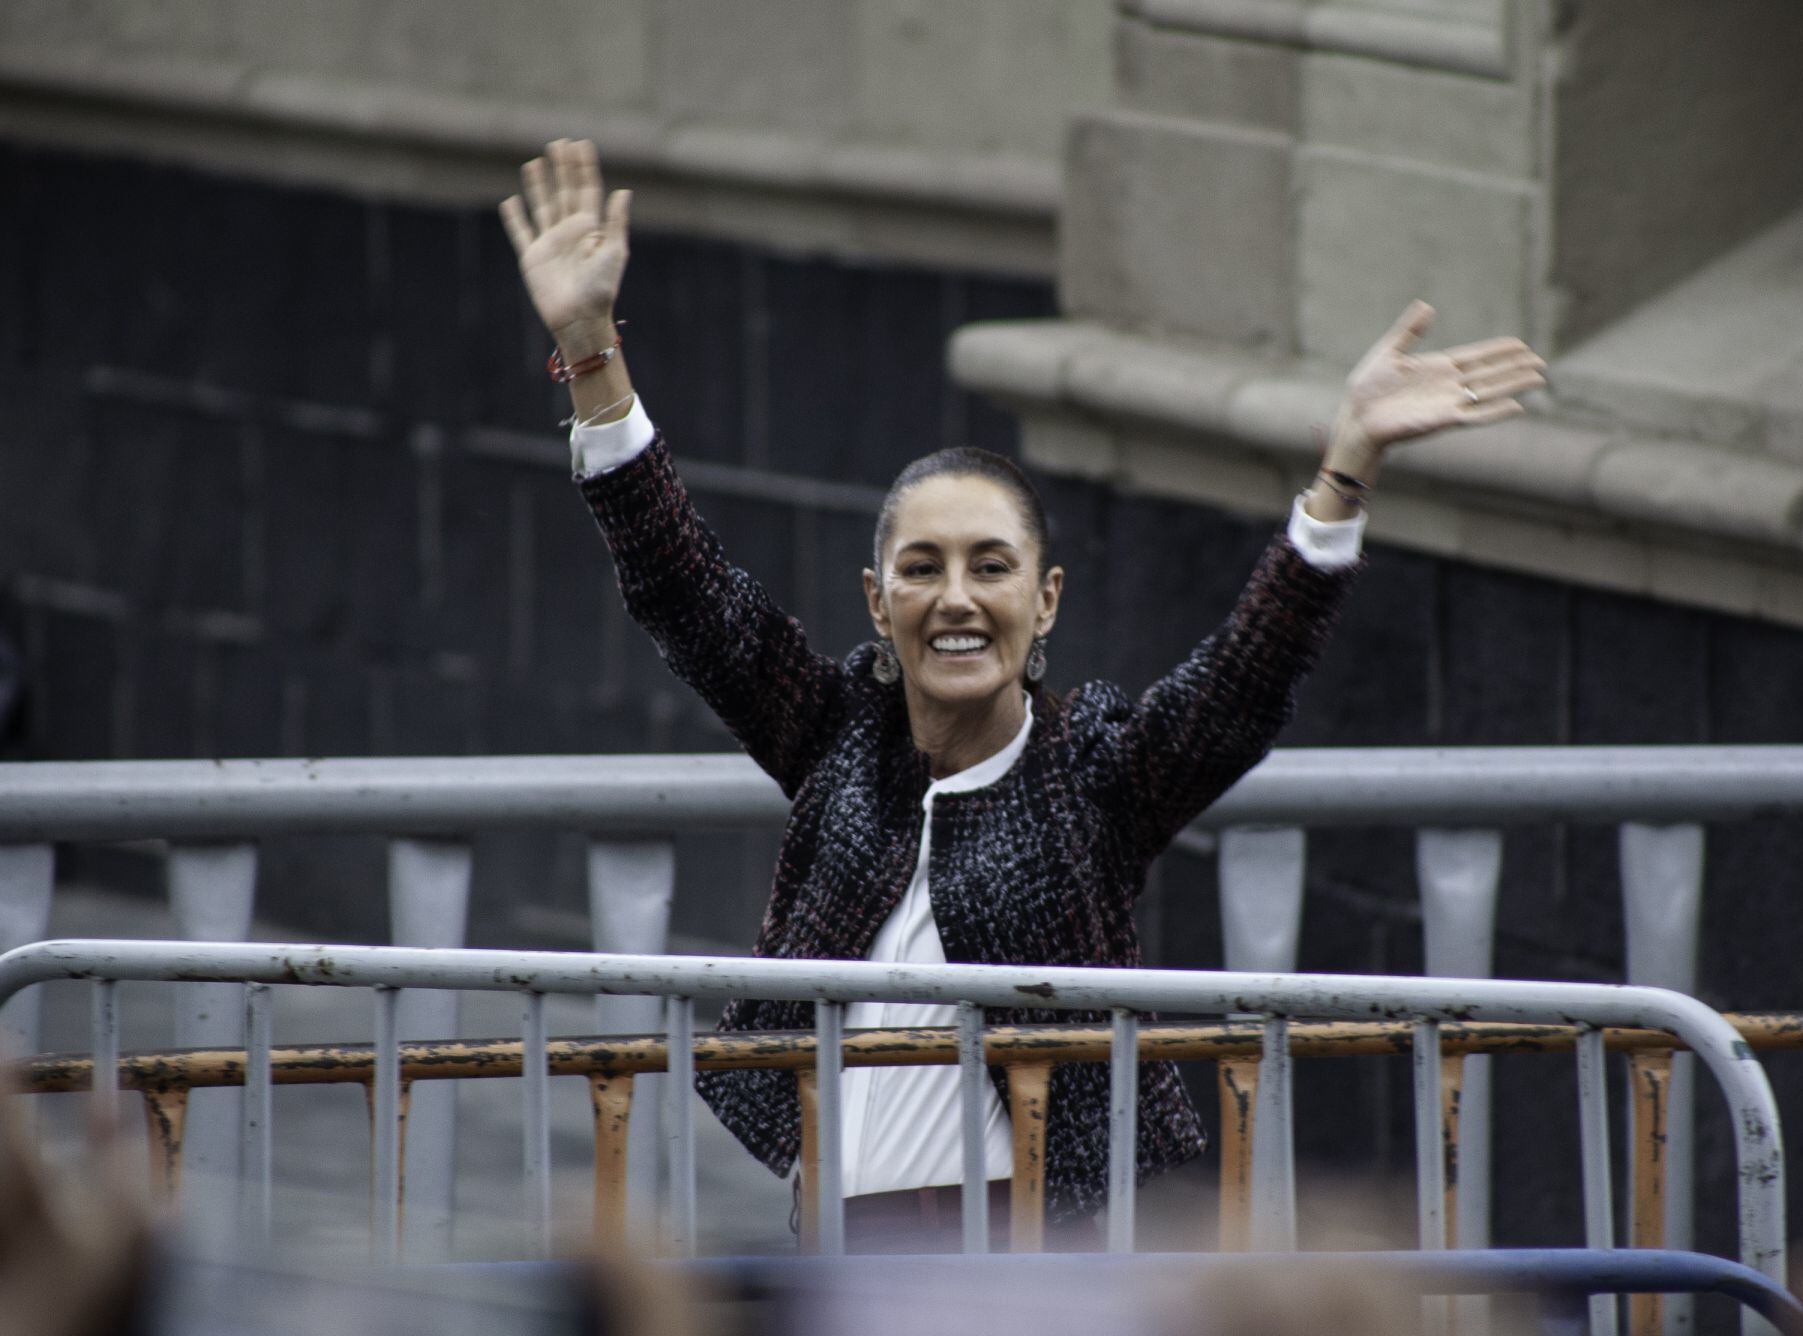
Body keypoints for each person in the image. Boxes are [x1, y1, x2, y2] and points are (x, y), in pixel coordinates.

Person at [500, 139, 1546, 1245]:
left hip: (1036, 1255)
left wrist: (1349, 465)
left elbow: (1247, 679)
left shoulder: (1095, 772)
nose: (956, 598)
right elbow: (683, 588)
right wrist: (590, 349)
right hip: (839, 1253)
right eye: (922, 568)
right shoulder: (836, 737)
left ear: (1044, 601)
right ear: (877, 600)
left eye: (990, 566)